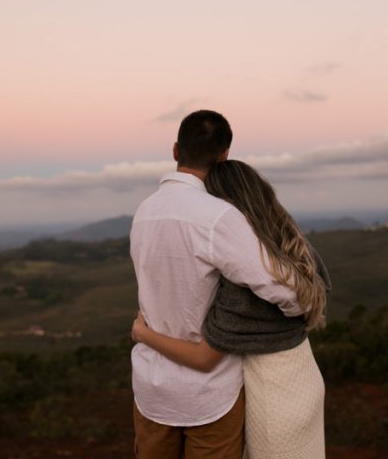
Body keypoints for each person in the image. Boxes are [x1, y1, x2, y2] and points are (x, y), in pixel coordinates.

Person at [130, 110, 304, 459]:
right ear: (224, 155)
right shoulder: (219, 217)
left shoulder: (144, 211)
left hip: (151, 387)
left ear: (176, 150)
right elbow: (287, 291)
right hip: (209, 392)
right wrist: (291, 313)